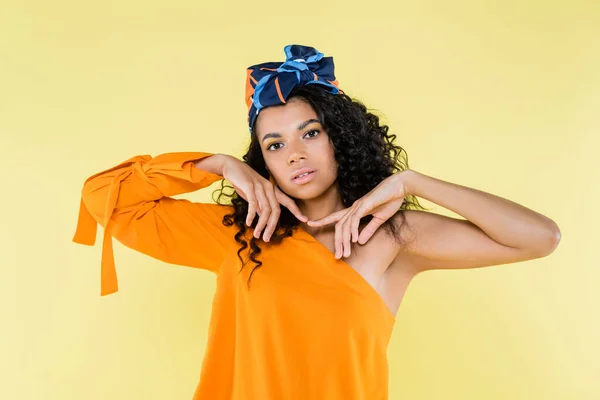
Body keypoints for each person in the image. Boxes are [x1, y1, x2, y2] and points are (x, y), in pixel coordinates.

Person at [73, 44, 561, 399]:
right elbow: (103, 198)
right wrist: (219, 164)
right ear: (261, 161)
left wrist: (413, 183)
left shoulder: (392, 236)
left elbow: (540, 237)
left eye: (311, 133)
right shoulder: (237, 235)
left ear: (341, 139)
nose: (296, 155)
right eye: (275, 144)